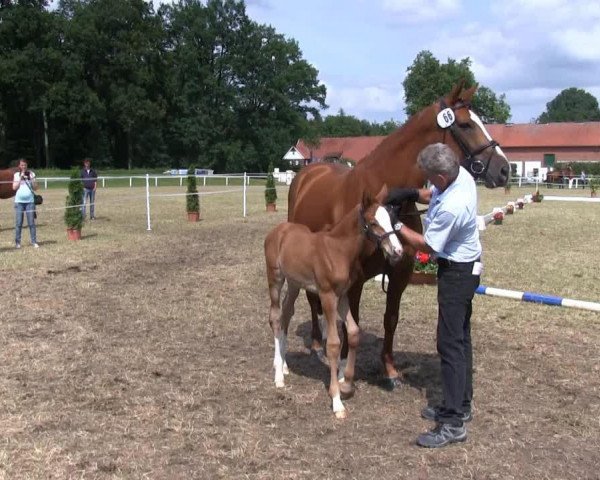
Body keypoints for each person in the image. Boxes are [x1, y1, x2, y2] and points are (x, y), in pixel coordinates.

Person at [386, 143, 482, 448]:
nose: (427, 181)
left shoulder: (455, 206)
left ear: (440, 175)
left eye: (428, 176)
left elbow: (426, 245)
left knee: (449, 344)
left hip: (457, 272)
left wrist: (395, 224)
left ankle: (452, 423)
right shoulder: (460, 174)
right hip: (466, 268)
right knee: (461, 339)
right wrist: (411, 194)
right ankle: (461, 407)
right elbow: (431, 194)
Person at [12, 158, 39, 249]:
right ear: (19, 166)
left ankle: (34, 241)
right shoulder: (16, 175)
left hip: (30, 202)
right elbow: (14, 187)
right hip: (19, 202)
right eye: (22, 165)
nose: (23, 166)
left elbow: (35, 188)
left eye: (25, 165)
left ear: (27, 165)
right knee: (19, 223)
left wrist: (32, 179)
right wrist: (21, 177)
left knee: (31, 223)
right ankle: (18, 242)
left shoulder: (32, 174)